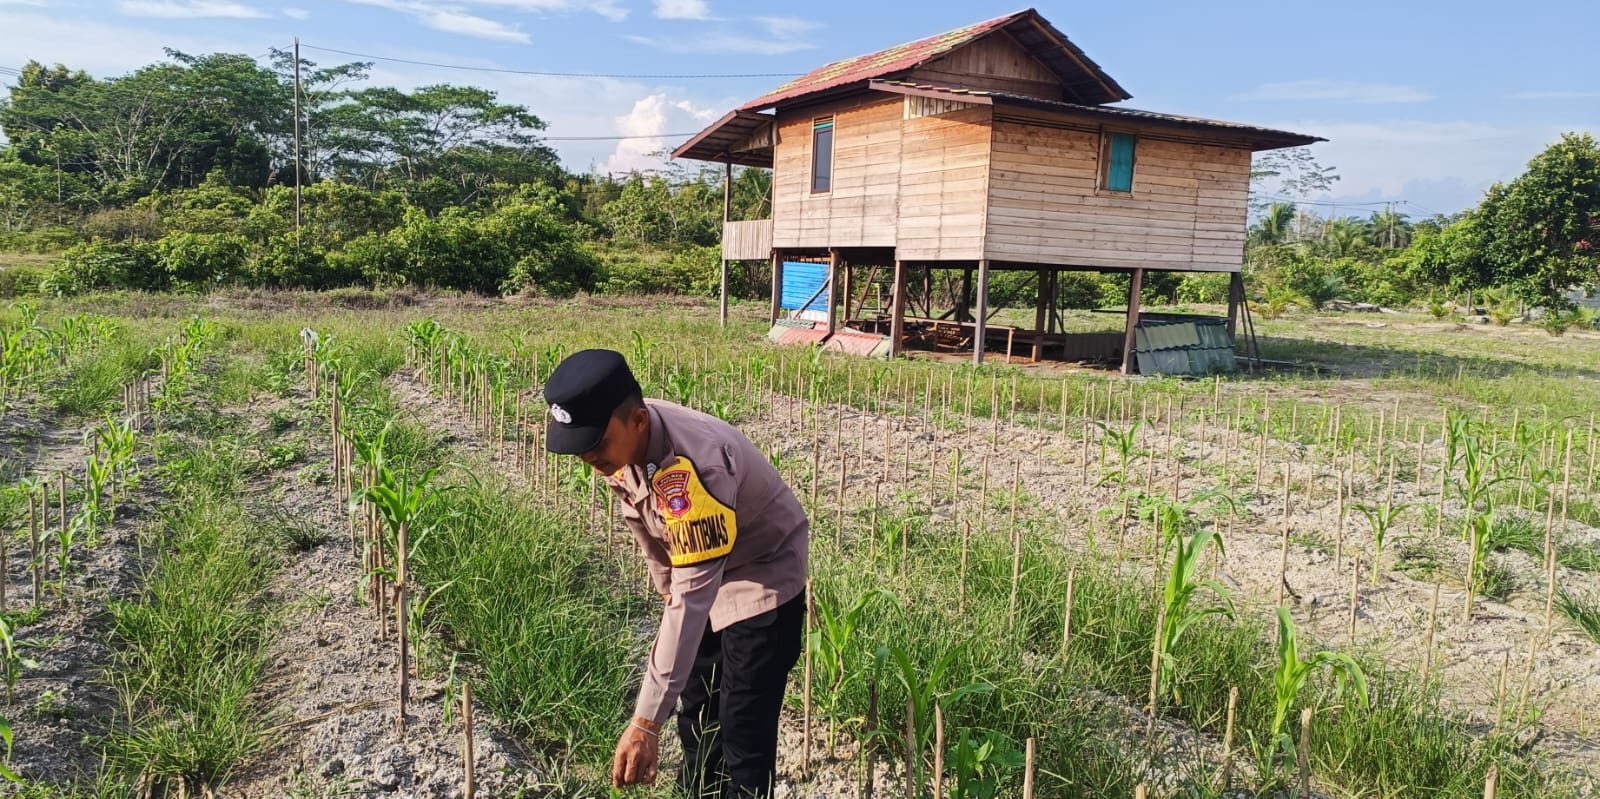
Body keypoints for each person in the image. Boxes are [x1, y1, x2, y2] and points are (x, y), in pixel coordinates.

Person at [543, 348, 809, 798]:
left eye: (596, 444)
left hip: (760, 577)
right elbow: (645, 525)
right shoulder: (621, 446)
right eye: (580, 448)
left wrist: (645, 721)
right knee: (698, 719)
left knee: (741, 734)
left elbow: (692, 598)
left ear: (639, 422)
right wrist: (665, 591)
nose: (589, 457)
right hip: (702, 575)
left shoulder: (694, 470)